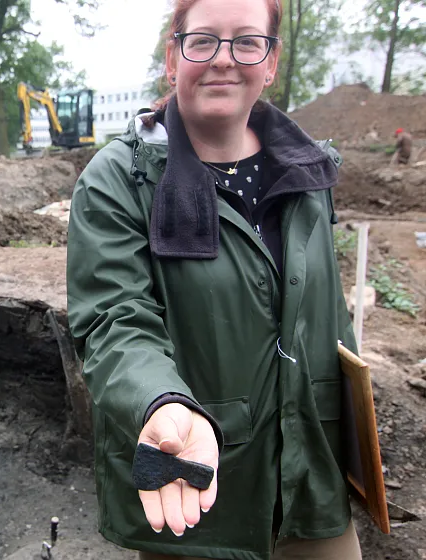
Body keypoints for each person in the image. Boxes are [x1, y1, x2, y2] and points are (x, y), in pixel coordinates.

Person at [66, 0, 362, 558]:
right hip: (194, 481)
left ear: (270, 63)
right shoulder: (123, 179)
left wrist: (355, 433)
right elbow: (114, 320)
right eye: (203, 40)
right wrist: (161, 404)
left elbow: (326, 318)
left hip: (313, 481)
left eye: (247, 42)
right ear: (172, 59)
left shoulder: (308, 173)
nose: (224, 58)